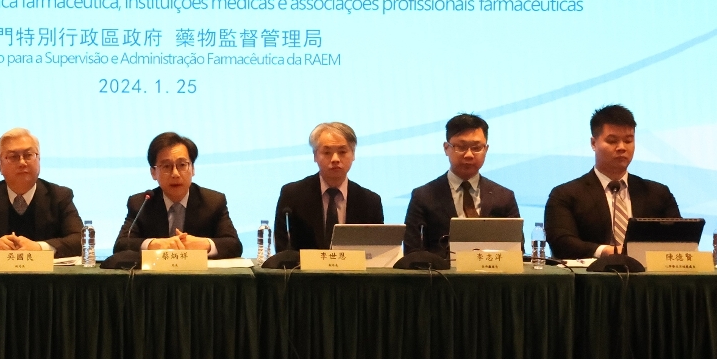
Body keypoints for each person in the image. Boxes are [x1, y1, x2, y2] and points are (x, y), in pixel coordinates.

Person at [544, 104, 680, 259]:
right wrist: (605, 251)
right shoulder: (565, 195)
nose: (621, 147)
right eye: (612, 141)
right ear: (593, 143)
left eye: (628, 140)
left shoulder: (658, 194)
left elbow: (681, 239)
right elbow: (561, 242)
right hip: (591, 273)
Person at [0, 128, 83, 258]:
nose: (22, 162)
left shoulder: (59, 196)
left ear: (39, 160)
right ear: (0, 166)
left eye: (28, 155)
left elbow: (80, 240)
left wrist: (40, 248)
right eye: (13, 157)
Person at [403, 114, 520, 257]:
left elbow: (517, 249)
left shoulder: (504, 197)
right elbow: (412, 251)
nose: (469, 155)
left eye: (476, 148)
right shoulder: (423, 196)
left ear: (486, 149)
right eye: (461, 147)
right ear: (446, 148)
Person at [113, 132, 242, 258]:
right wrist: (153, 244)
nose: (175, 173)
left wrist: (204, 244)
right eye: (166, 166)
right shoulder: (141, 203)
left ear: (193, 169)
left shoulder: (213, 202)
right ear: (153, 172)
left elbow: (234, 245)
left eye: (182, 165)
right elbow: (121, 245)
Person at [273, 122, 384, 251]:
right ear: (315, 155)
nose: (335, 159)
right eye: (327, 152)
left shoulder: (370, 202)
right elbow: (282, 248)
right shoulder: (292, 195)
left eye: (342, 152)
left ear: (353, 154)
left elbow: (378, 251)